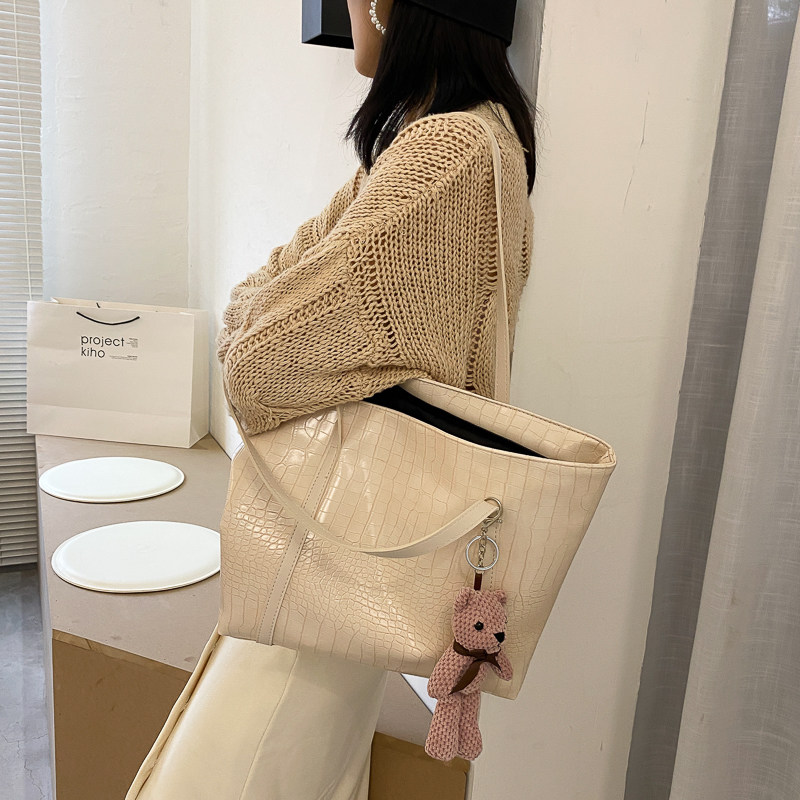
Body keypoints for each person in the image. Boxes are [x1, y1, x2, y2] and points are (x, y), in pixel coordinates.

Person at [127, 1, 537, 798]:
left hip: (334, 550)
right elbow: (263, 293)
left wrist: (261, 318)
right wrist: (264, 312)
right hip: (367, 547)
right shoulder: (475, 139)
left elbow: (257, 366)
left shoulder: (443, 154)